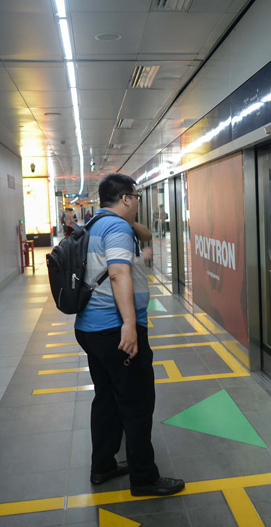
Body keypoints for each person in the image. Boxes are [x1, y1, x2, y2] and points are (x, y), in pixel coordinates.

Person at [73, 173, 184, 497]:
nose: (138, 202)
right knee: (136, 403)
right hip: (113, 329)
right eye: (136, 197)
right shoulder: (117, 227)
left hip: (90, 328)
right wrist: (130, 325)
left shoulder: (96, 224)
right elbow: (119, 273)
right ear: (125, 198)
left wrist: (129, 223)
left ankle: (103, 465)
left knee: (106, 398)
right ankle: (144, 478)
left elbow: (145, 234)